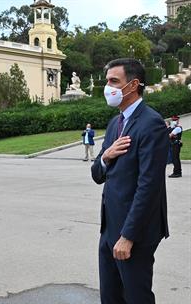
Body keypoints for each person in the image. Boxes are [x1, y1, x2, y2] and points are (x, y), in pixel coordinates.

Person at [91, 58, 169, 304]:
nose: (108, 88)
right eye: (107, 82)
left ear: (133, 84)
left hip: (135, 232)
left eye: (114, 81)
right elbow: (97, 174)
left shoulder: (151, 124)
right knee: (111, 296)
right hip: (109, 228)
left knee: (136, 297)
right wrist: (105, 156)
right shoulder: (115, 123)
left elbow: (149, 186)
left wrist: (128, 236)